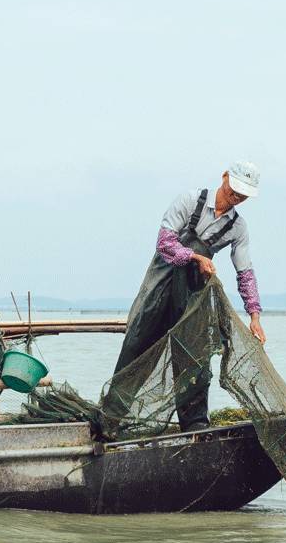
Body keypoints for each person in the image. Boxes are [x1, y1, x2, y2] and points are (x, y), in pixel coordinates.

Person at [111, 160, 268, 431]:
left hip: (193, 295)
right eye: (235, 189)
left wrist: (254, 317)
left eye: (243, 195)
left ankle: (194, 425)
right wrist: (195, 256)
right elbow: (164, 243)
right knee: (138, 345)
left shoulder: (238, 228)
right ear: (224, 177)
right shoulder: (190, 200)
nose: (237, 197)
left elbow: (245, 272)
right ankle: (111, 418)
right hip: (161, 283)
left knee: (194, 356)